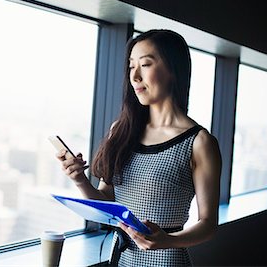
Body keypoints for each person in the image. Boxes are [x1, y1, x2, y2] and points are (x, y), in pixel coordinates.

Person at [56, 29, 222, 266]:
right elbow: (107, 202)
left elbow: (208, 225)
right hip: (122, 258)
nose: (134, 76)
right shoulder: (122, 131)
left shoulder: (199, 142)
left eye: (145, 64)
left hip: (166, 261)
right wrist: (79, 179)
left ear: (173, 70)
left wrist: (167, 241)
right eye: (131, 66)